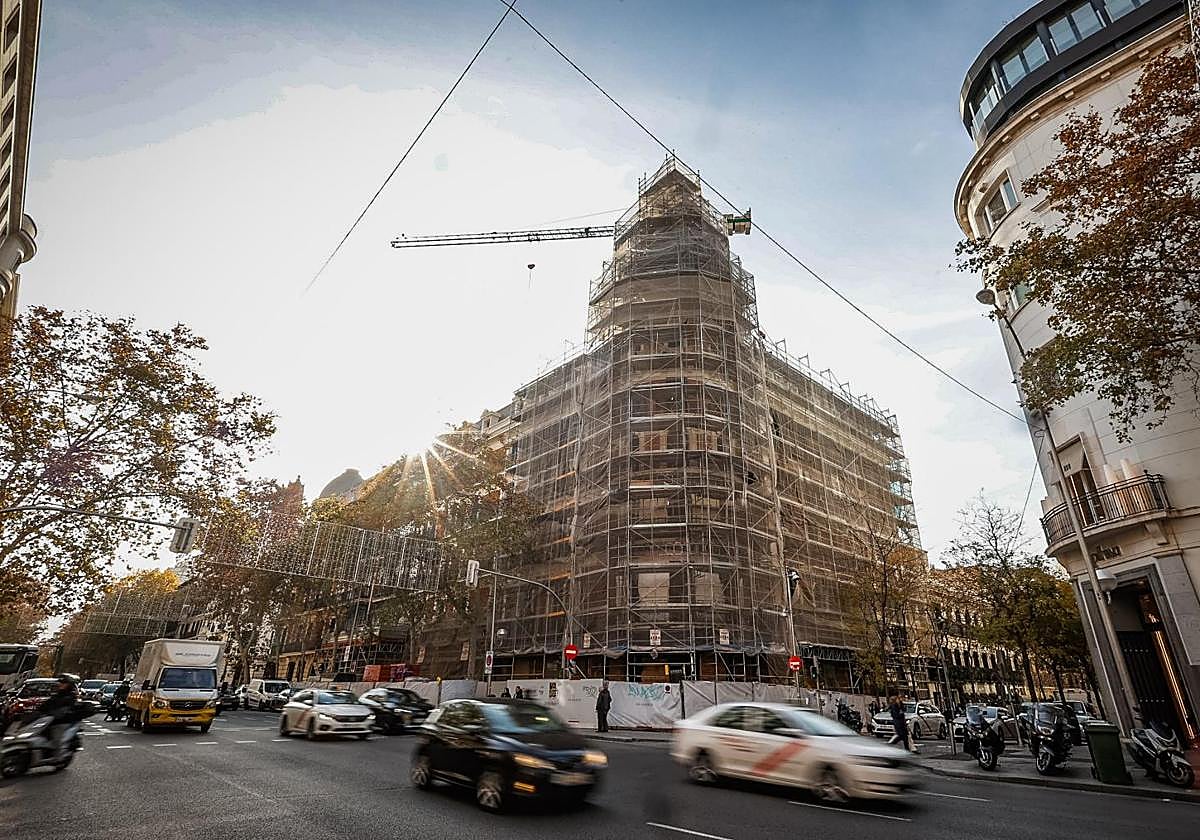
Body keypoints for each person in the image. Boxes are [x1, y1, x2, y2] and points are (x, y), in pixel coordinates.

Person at [39, 674, 81, 759]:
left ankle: (58, 756)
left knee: (57, 738)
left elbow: (68, 708)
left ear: (68, 685)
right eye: (60, 683)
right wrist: (38, 710)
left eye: (63, 683)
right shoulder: (58, 694)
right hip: (51, 719)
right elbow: (49, 703)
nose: (60, 684)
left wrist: (58, 714)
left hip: (64, 721)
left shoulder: (71, 696)